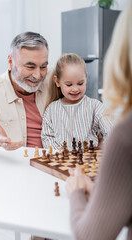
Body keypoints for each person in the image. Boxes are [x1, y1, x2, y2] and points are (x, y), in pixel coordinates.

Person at [66, 1, 132, 240]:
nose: (76, 89)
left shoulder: (126, 135)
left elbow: (91, 236)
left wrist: (76, 191)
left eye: (81, 83)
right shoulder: (54, 108)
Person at [0, 32, 52, 154]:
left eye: (43, 67)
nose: (38, 75)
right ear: (10, 62)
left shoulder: (55, 78)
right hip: (16, 166)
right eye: (30, 67)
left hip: (55, 162)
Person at [41, 53, 113, 150]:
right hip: (61, 162)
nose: (75, 89)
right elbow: (47, 137)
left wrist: (105, 147)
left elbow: (111, 130)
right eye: (69, 85)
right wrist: (60, 155)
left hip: (89, 161)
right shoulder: (51, 110)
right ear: (57, 81)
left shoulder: (95, 106)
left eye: (80, 83)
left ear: (86, 78)